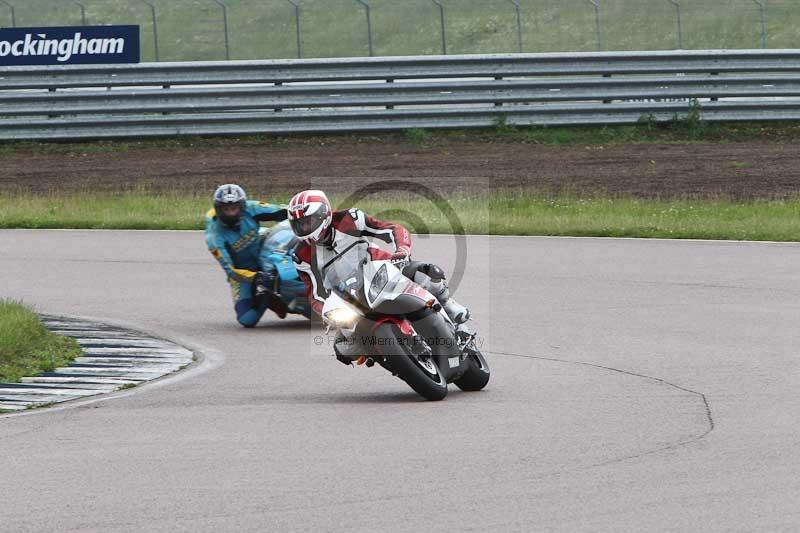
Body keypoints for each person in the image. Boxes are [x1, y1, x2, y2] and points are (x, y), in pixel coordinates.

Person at [287, 189, 470, 324]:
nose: (304, 229)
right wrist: (326, 311)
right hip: (348, 297)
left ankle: (448, 304)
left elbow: (392, 229)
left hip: (381, 269)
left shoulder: (350, 219)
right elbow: (316, 294)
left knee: (425, 272)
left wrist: (402, 250)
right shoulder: (301, 255)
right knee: (344, 348)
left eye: (308, 222)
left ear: (323, 215)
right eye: (300, 225)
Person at [205, 183, 289, 327]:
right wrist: (257, 278)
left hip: (264, 251)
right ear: (219, 210)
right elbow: (231, 271)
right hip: (243, 272)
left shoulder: (251, 207)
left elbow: (283, 211)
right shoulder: (214, 237)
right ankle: (268, 297)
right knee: (247, 319)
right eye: (226, 209)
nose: (231, 213)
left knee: (286, 233)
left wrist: (309, 214)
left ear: (242, 206)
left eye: (234, 208)